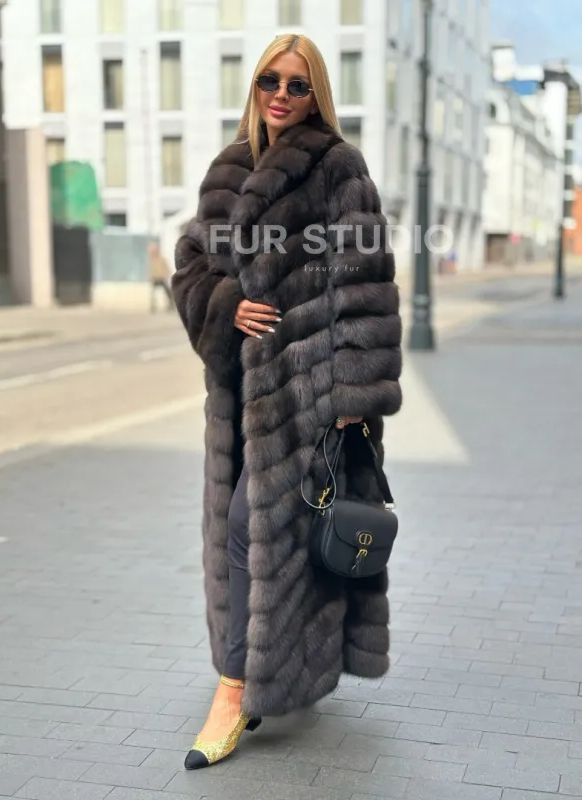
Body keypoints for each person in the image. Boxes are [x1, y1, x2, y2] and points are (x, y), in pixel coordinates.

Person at [171, 33, 402, 770]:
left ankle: (235, 688)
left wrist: (352, 396)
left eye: (297, 84)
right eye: (270, 79)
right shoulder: (229, 167)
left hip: (311, 393)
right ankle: (281, 668)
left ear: (315, 94)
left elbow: (367, 283)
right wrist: (224, 302)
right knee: (260, 534)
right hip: (241, 391)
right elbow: (190, 264)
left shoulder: (338, 167)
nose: (280, 94)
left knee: (254, 524)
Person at [148, 242, 174, 312]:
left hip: (162, 279)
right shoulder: (152, 260)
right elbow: (151, 271)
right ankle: (153, 307)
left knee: (168, 291)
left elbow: (167, 269)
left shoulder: (162, 258)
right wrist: (151, 277)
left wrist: (165, 275)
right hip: (155, 279)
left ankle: (171, 305)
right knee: (153, 293)